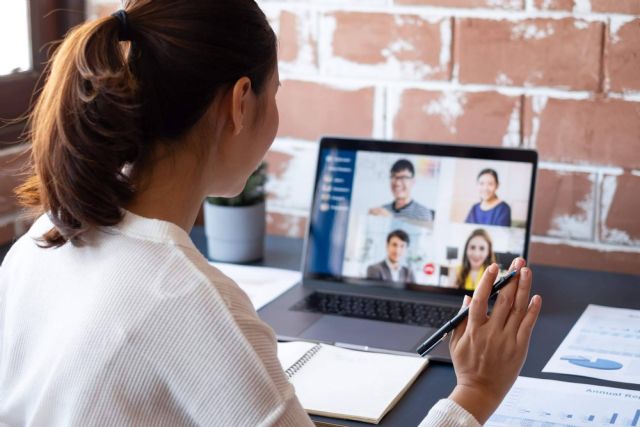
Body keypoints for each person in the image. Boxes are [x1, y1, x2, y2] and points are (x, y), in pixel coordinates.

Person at [0, 1, 541, 426]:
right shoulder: (186, 302)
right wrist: (475, 392)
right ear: (240, 102)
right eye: (274, 92)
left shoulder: (41, 241)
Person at [369, 159, 435, 223]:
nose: (397, 183)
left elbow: (411, 234)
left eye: (403, 178)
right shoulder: (383, 210)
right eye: (393, 177)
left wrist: (390, 220)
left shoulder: (423, 213)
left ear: (413, 181)